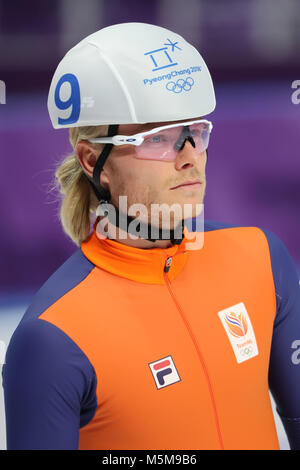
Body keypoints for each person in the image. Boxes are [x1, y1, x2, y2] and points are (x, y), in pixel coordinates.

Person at [2, 22, 300, 450]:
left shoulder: (261, 258)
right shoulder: (52, 338)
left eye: (195, 133)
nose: (190, 159)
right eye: (158, 138)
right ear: (92, 159)